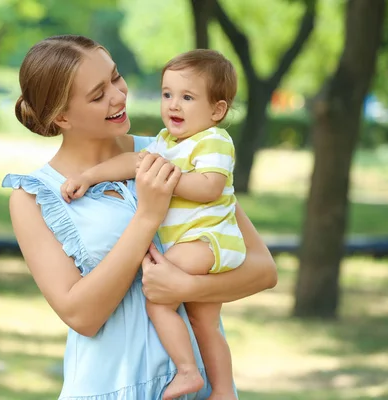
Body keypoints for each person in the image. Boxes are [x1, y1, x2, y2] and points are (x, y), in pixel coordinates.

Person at [2, 35, 277, 400]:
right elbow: (81, 316)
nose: (118, 96)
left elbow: (262, 270)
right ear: (62, 116)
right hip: (109, 389)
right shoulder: (35, 196)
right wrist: (147, 216)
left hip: (200, 389)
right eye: (98, 94)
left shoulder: (179, 150)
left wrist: (190, 289)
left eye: (116, 78)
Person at [60, 49, 242, 399]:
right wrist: (90, 176)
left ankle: (188, 371)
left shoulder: (213, 140)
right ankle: (223, 391)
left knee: (159, 298)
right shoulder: (166, 142)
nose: (174, 105)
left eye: (187, 97)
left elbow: (210, 188)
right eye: (167, 94)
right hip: (195, 243)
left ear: (217, 110)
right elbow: (133, 162)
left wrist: (162, 181)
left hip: (208, 241)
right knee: (204, 323)